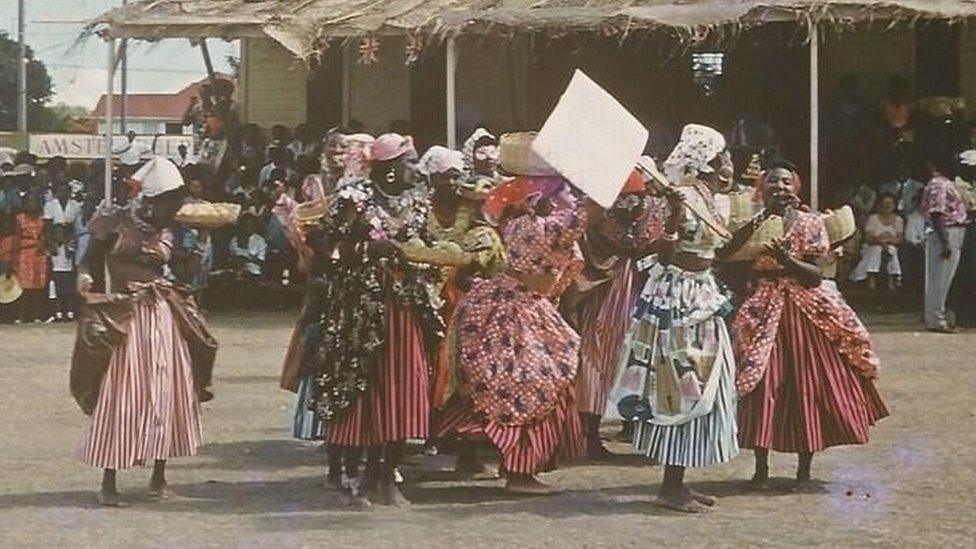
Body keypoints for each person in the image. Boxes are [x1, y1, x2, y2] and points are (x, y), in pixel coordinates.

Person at [437, 133, 589, 495]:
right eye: (563, 192)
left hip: (522, 306)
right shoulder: (537, 227)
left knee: (519, 381)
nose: (569, 198)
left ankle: (489, 460)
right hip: (515, 310)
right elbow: (585, 218)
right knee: (529, 382)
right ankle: (518, 472)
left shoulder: (530, 224)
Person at [730, 159, 888, 492]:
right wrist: (762, 219)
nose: (780, 188)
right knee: (764, 385)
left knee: (807, 385)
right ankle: (761, 470)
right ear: (762, 187)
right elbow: (727, 252)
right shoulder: (751, 220)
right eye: (773, 182)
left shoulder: (810, 222)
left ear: (796, 187)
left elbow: (815, 275)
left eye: (786, 182)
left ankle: (803, 472)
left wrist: (787, 260)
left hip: (804, 310)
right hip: (763, 309)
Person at [306, 133, 443, 506]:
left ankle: (387, 475)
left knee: (405, 385)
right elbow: (324, 245)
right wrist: (368, 248)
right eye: (406, 162)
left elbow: (428, 241)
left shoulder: (416, 202)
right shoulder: (355, 198)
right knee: (364, 386)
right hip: (361, 308)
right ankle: (357, 473)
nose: (413, 168)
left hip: (405, 304)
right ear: (389, 168)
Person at [72, 156, 217, 507]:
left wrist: (200, 246)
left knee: (167, 390)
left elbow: (182, 270)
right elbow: (89, 259)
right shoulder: (113, 221)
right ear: (152, 198)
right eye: (171, 200)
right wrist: (86, 278)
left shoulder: (171, 229)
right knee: (123, 394)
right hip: (126, 314)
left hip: (162, 311)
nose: (176, 206)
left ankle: (159, 477)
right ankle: (109, 482)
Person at [611, 124, 739, 513]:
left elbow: (724, 248)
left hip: (704, 292)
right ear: (709, 162)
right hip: (677, 298)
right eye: (725, 156)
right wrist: (674, 217)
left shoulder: (716, 200)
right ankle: (670, 485)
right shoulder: (679, 198)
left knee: (708, 381)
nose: (730, 162)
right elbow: (659, 252)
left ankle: (679, 479)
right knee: (682, 379)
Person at [560, 170, 658, 459]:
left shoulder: (646, 211)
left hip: (638, 287)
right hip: (604, 286)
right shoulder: (595, 212)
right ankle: (587, 434)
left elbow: (649, 242)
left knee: (633, 357)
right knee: (596, 357)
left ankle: (626, 428)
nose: (631, 205)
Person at [920, 156, 967, 333]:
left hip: (952, 232)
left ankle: (936, 317)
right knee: (939, 279)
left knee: (942, 279)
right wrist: (945, 242)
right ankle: (936, 320)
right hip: (946, 232)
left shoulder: (944, 183)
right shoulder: (939, 183)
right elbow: (937, 214)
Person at [44, 180, 82, 321]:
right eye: (60, 191)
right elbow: (48, 226)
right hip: (55, 236)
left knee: (69, 281)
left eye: (66, 191)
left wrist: (69, 241)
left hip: (69, 237)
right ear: (56, 192)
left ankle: (70, 310)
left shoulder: (75, 206)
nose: (63, 193)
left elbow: (74, 226)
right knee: (55, 284)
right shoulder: (50, 205)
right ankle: (57, 311)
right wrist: (51, 243)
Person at [850, 193, 904, 290]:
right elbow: (869, 238)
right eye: (885, 203)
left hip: (890, 246)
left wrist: (886, 241)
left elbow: (899, 239)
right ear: (879, 205)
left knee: (892, 250)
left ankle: (892, 278)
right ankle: (871, 278)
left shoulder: (898, 220)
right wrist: (883, 241)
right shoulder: (873, 218)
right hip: (871, 246)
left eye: (890, 203)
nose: (887, 206)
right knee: (876, 250)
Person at [13, 192, 49, 323]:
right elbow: (17, 238)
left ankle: (37, 315)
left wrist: (44, 246)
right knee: (24, 286)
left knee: (38, 286)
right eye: (28, 201)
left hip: (38, 253)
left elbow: (45, 235)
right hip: (24, 253)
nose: (31, 204)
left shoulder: (42, 218)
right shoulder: (20, 218)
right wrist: (14, 257)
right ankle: (21, 316)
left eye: (34, 201)